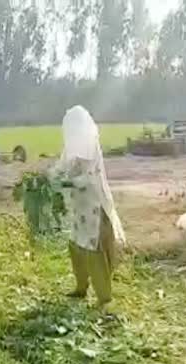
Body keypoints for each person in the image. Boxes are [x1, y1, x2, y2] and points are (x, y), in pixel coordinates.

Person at [44, 106, 126, 308]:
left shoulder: (90, 144)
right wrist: (50, 175)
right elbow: (63, 165)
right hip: (80, 206)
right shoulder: (73, 144)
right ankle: (81, 287)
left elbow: (89, 178)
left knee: (93, 249)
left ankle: (104, 297)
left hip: (95, 204)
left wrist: (66, 183)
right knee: (76, 246)